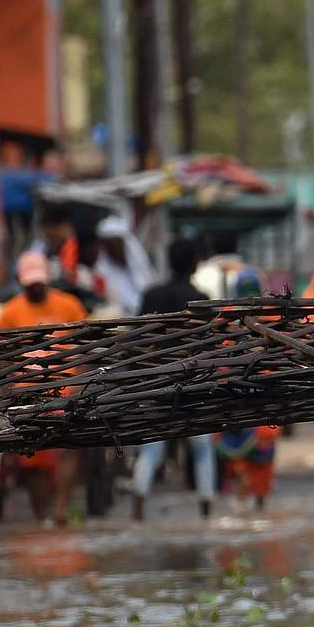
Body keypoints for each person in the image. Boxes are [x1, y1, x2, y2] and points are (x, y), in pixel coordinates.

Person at [0, 253, 88, 525]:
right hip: (28, 392)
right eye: (30, 283)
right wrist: (9, 386)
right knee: (33, 459)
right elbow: (2, 354)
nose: (36, 287)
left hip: (64, 388)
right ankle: (40, 514)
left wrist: (79, 382)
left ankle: (60, 508)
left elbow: (83, 348)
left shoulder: (69, 306)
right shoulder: (11, 312)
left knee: (67, 450)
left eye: (39, 282)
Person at [132, 239, 216, 520]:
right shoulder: (200, 299)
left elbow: (137, 339)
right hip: (192, 380)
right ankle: (206, 505)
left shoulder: (152, 295)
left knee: (153, 446)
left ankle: (139, 504)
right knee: (202, 448)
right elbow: (210, 344)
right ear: (194, 264)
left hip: (158, 380)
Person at [93, 216, 155, 311]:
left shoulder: (141, 268)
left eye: (117, 243)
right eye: (110, 244)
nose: (114, 248)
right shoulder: (100, 274)